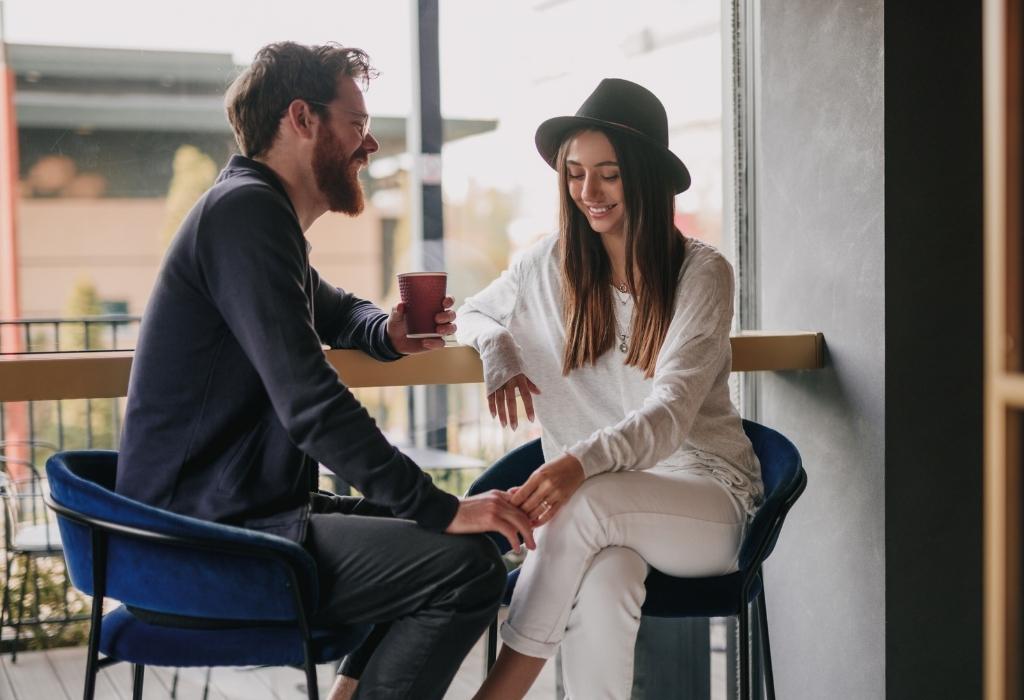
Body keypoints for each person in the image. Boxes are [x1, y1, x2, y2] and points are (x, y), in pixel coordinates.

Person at [115, 41, 535, 700]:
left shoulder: (256, 215)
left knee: (471, 551)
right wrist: (441, 506)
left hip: (233, 514)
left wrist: (388, 333)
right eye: (358, 125)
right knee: (463, 569)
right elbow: (310, 401)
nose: (368, 148)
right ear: (302, 119)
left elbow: (338, 311)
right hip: (199, 539)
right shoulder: (245, 213)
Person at [455, 78, 764, 699]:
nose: (587, 193)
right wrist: (497, 347)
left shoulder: (701, 273)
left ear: (645, 176)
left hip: (708, 498)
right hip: (609, 515)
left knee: (585, 505)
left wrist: (577, 465)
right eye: (574, 173)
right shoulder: (548, 264)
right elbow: (474, 312)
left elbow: (669, 415)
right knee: (606, 583)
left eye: (608, 174)